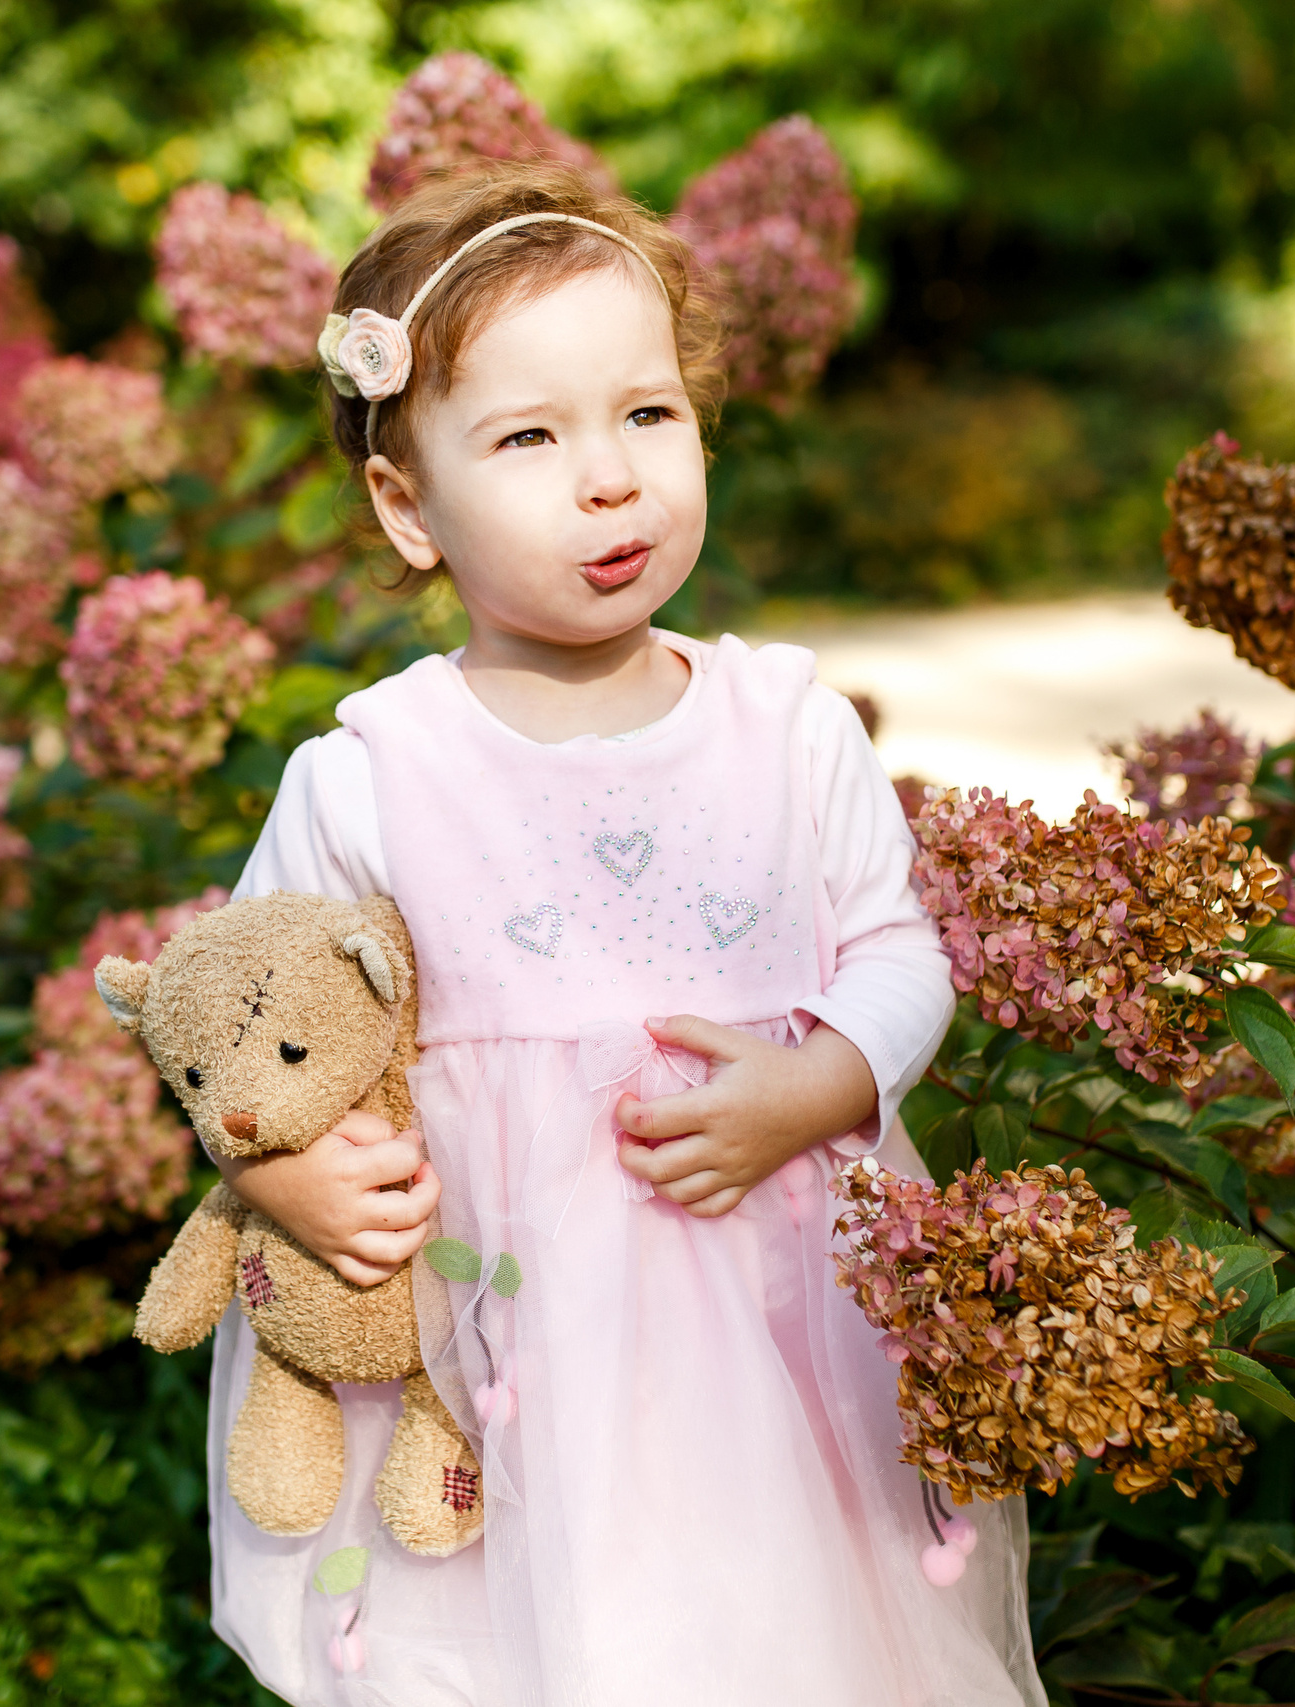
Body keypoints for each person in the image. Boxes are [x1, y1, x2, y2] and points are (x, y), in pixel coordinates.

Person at [201, 157, 1046, 1707]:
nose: (610, 476)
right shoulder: (374, 772)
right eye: (530, 437)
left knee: (794, 1638)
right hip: (507, 1346)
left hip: (775, 1325)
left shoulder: (785, 724)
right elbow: (251, 1030)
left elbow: (900, 952)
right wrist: (285, 1174)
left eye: (648, 413)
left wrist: (822, 1083)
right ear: (408, 507)